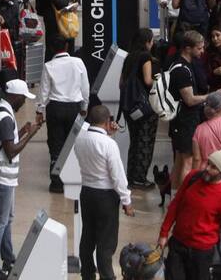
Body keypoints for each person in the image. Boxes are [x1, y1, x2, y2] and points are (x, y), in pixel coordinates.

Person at [158, 151, 221, 279]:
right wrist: (164, 233)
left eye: (213, 167)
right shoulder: (193, 177)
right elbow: (175, 204)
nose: (207, 168)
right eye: (208, 163)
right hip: (178, 244)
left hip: (201, 253)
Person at [0, 79, 42, 280]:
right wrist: (30, 135)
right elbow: (10, 151)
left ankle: (8, 258)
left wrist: (22, 131)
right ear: (15, 97)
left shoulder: (0, 109)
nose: (24, 102)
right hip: (3, 177)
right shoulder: (6, 118)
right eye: (24, 98)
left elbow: (5, 140)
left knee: (6, 219)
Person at [74, 105, 134, 280]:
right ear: (108, 121)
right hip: (106, 197)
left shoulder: (80, 139)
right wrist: (127, 201)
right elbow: (117, 176)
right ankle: (107, 276)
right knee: (106, 242)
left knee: (88, 236)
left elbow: (95, 151)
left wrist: (108, 135)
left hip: (86, 192)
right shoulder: (109, 144)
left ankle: (87, 274)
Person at [35, 36, 89, 193]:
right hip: (74, 107)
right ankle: (72, 180)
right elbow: (85, 87)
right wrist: (84, 106)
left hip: (55, 108)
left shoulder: (49, 66)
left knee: (56, 145)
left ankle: (56, 183)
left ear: (51, 49)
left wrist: (40, 110)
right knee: (72, 144)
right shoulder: (78, 63)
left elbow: (44, 91)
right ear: (66, 46)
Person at [169, 30, 219, 189]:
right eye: (199, 48)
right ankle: (185, 196)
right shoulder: (182, 70)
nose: (202, 51)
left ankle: (176, 195)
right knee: (187, 160)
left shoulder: (181, 65)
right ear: (188, 48)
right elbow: (190, 100)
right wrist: (210, 96)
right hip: (185, 120)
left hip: (181, 120)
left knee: (179, 158)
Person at [117, 28, 160, 188]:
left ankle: (131, 175)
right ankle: (140, 178)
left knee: (135, 141)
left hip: (130, 107)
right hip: (145, 108)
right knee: (145, 141)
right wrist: (161, 80)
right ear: (147, 42)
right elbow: (148, 81)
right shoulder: (145, 56)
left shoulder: (129, 57)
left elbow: (121, 83)